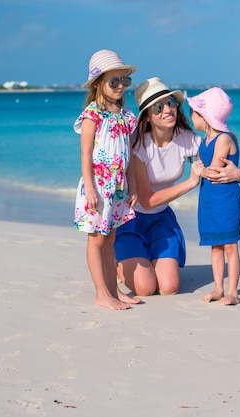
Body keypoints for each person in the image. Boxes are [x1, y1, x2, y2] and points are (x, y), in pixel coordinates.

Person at [114, 78, 240, 298]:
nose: (168, 110)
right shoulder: (137, 144)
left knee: (169, 288)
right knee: (146, 289)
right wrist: (191, 182)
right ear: (147, 114)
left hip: (161, 221)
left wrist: (239, 174)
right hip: (132, 220)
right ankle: (117, 261)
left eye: (171, 103)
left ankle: (147, 259)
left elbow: (215, 156)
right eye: (159, 106)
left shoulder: (185, 138)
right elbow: (146, 200)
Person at [74, 49, 140, 310]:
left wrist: (131, 186)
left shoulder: (125, 117)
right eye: (114, 82)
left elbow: (130, 155)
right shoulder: (93, 113)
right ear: (99, 83)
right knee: (97, 238)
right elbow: (86, 153)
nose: (120, 86)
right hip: (98, 186)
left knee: (111, 238)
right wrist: (90, 187)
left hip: (118, 187)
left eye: (124, 81)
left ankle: (114, 289)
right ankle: (102, 293)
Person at [188, 88, 240, 305]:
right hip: (209, 199)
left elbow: (212, 169)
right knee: (215, 246)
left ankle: (233, 292)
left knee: (230, 245)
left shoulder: (223, 138)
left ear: (205, 116)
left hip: (225, 199)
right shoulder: (205, 141)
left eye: (193, 112)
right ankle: (219, 288)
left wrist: (198, 168)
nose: (191, 116)